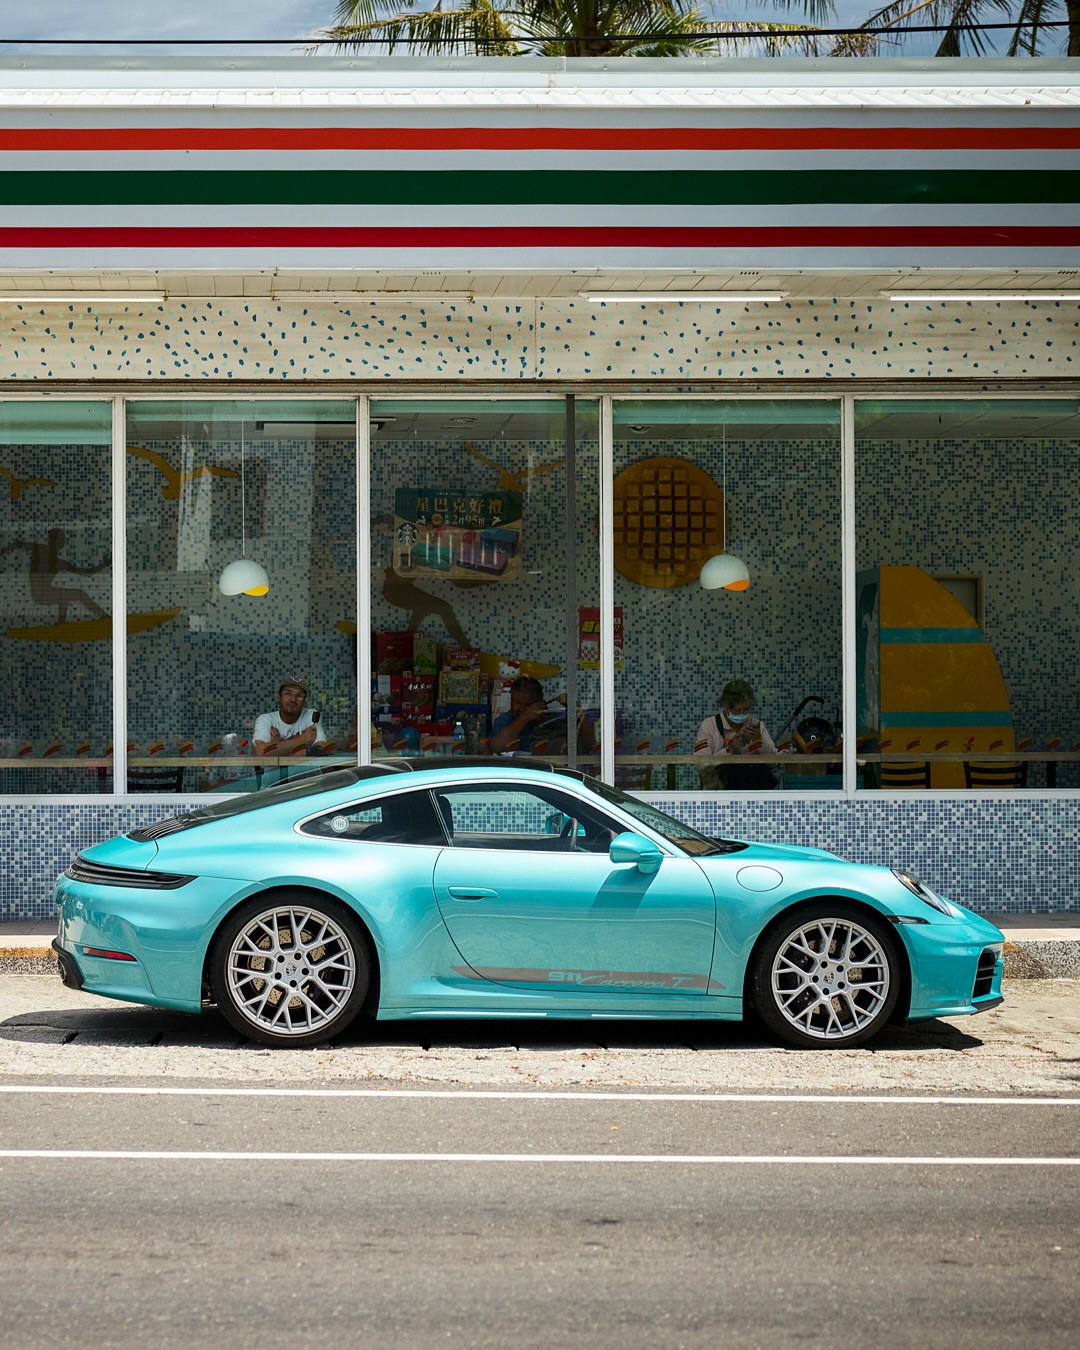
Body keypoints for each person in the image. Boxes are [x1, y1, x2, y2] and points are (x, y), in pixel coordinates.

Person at [694, 677, 778, 789]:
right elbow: (700, 765)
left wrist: (759, 741)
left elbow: (774, 763)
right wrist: (730, 749)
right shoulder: (709, 725)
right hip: (720, 793)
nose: (742, 714)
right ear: (725, 705)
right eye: (738, 710)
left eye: (746, 709)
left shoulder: (756, 724)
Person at [489, 675, 598, 757]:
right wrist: (524, 717)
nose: (515, 708)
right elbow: (496, 747)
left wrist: (575, 711)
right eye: (513, 701)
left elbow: (589, 746)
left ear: (538, 704)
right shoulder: (505, 720)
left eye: (522, 704)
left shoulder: (551, 722)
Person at [253, 677, 327, 757]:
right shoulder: (265, 719)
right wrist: (302, 740)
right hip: (273, 770)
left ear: (304, 701)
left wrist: (277, 749)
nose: (293, 699)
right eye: (288, 693)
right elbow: (260, 752)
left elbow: (320, 751)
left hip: (303, 770)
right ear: (279, 697)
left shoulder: (311, 715)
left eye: (299, 695)